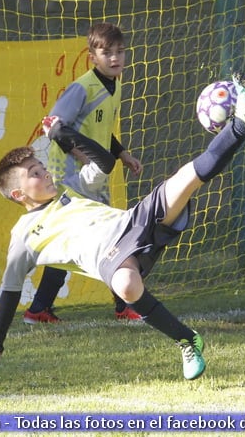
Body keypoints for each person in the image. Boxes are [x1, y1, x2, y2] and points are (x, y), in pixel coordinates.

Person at [0, 73, 245, 382]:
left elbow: (103, 162)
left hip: (134, 221)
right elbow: (10, 292)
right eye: (34, 173)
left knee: (187, 178)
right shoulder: (23, 236)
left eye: (42, 166)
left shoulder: (71, 187)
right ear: (19, 194)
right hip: (111, 258)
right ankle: (187, 340)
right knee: (126, 286)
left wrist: (65, 134)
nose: (44, 173)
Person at [23, 22, 144, 325]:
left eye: (120, 52)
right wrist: (83, 156)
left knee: (82, 239)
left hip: (91, 172)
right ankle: (124, 305)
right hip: (69, 176)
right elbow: (53, 126)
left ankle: (39, 309)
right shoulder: (82, 87)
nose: (115, 58)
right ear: (92, 57)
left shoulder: (114, 84)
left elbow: (97, 130)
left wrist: (121, 153)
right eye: (107, 53)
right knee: (110, 237)